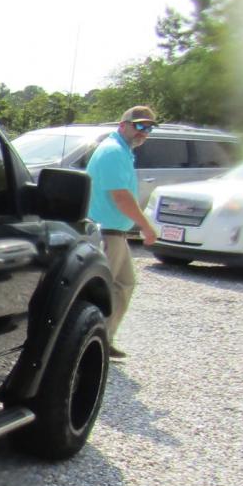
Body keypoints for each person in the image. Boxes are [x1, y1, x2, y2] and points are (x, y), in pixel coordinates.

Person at [84, 105, 159, 359]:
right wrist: (147, 227)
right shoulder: (113, 152)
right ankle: (86, 343)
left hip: (116, 233)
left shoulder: (124, 151)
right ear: (123, 125)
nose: (144, 132)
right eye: (139, 125)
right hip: (106, 233)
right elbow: (121, 197)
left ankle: (103, 338)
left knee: (123, 284)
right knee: (100, 289)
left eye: (148, 127)